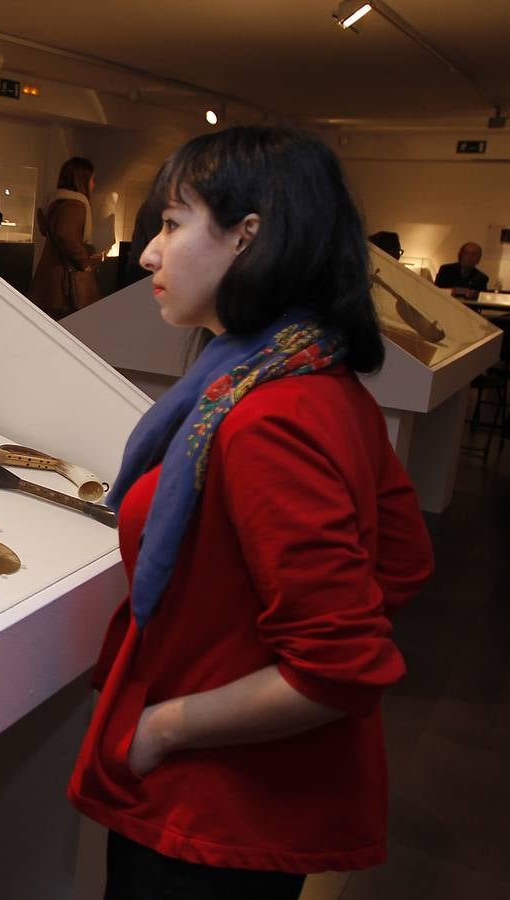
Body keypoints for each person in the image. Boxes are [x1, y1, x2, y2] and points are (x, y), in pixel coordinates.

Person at [67, 126, 434, 899]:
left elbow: (340, 667)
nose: (149, 254)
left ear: (247, 236)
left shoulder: (266, 416)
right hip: (254, 793)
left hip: (215, 808)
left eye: (172, 223)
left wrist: (166, 728)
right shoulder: (313, 374)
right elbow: (402, 558)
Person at [30, 156, 101, 318]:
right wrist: (84, 263)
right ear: (82, 180)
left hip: (52, 278)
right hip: (63, 283)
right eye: (92, 180)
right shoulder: (74, 205)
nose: (93, 185)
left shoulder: (59, 203)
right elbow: (65, 235)